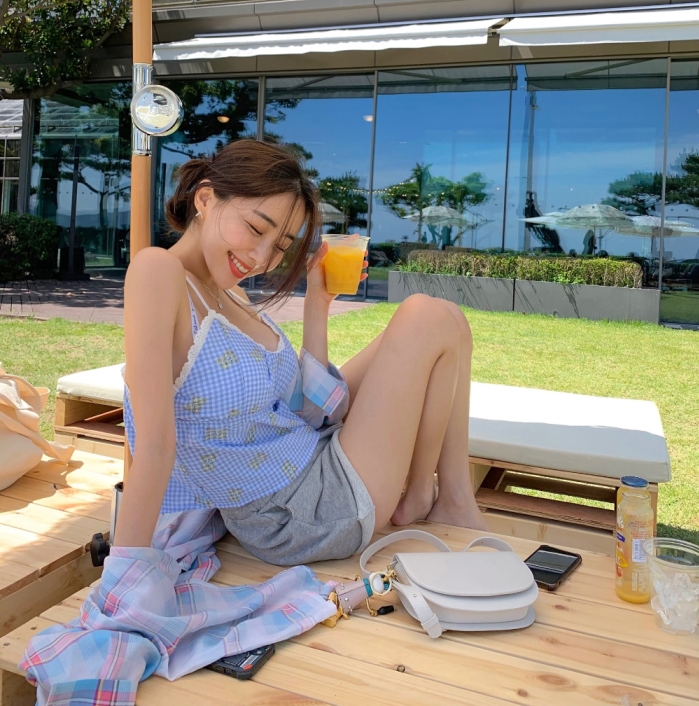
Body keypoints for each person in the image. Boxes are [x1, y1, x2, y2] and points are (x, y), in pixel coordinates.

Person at [117, 140, 487, 565]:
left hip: (313, 452)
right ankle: (433, 494)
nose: (261, 258)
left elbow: (309, 410)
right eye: (256, 228)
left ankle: (438, 493)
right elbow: (154, 446)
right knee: (426, 316)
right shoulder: (159, 271)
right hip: (297, 512)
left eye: (280, 246)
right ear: (205, 199)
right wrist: (123, 576)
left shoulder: (231, 295)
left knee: (451, 319)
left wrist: (317, 302)